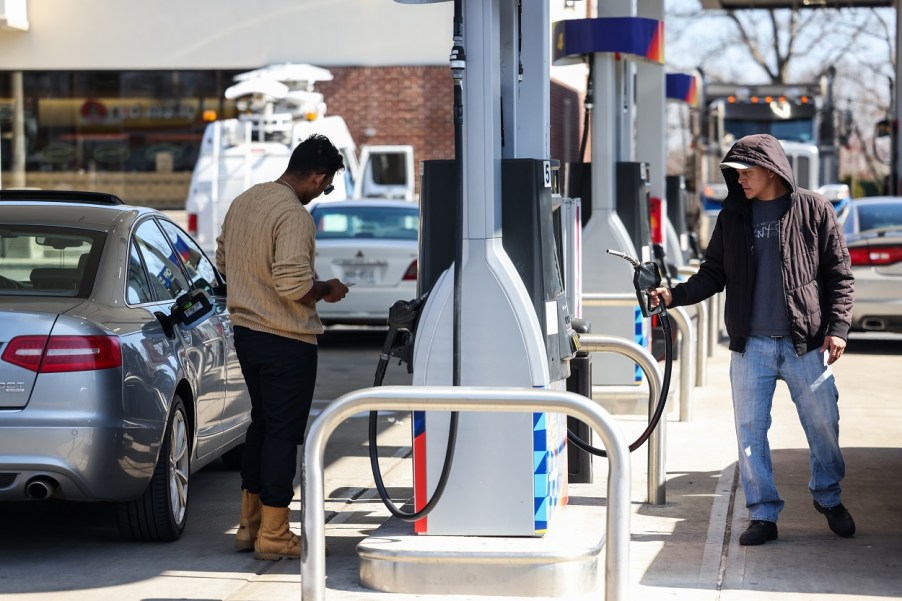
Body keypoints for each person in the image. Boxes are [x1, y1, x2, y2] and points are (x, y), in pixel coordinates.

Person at [649, 133, 855, 546]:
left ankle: (828, 497)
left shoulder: (814, 209)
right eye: (734, 173)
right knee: (750, 433)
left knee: (824, 425)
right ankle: (762, 513)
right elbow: (712, 275)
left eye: (745, 172)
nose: (738, 179)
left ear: (771, 168)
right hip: (751, 345)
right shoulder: (733, 217)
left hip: (806, 343)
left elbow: (839, 274)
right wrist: (674, 295)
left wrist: (837, 328)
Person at [215, 134, 349, 560]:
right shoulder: (293, 215)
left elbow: (222, 261)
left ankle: (248, 525)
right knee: (281, 434)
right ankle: (274, 534)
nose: (321, 194)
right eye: (325, 187)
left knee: (261, 425)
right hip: (285, 338)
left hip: (246, 332)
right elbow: (294, 284)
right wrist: (327, 288)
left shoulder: (246, 201)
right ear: (316, 176)